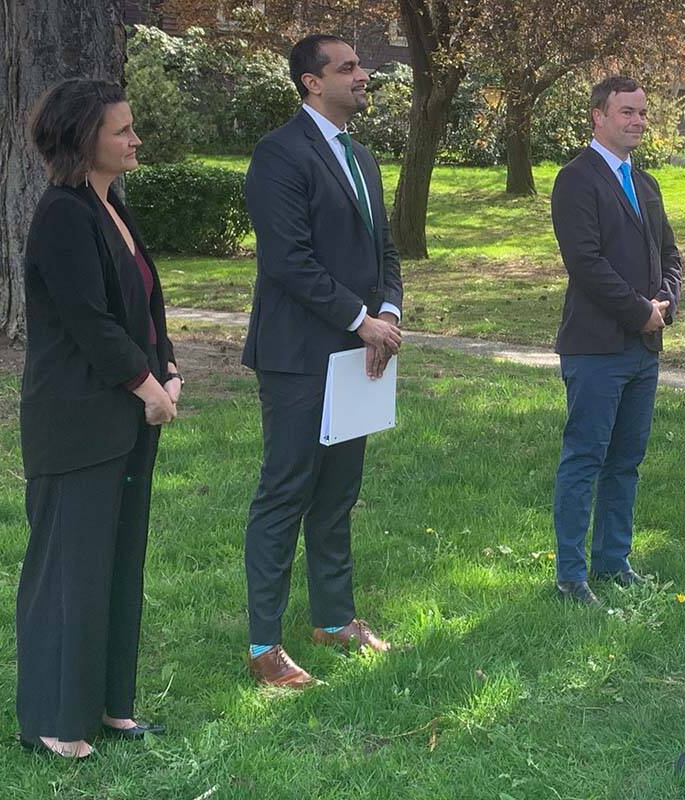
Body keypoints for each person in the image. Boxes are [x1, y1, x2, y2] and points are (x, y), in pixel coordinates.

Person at [17, 79, 180, 758]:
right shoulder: (61, 215)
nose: (136, 139)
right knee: (70, 570)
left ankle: (109, 706)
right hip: (78, 419)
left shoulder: (112, 205)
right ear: (87, 140)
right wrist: (145, 382)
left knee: (117, 564)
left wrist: (167, 364)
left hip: (127, 415)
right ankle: (54, 721)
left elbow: (144, 304)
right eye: (123, 130)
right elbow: (89, 320)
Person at [242, 34, 404, 687]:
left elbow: (385, 253)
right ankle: (263, 647)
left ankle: (334, 619)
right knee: (287, 491)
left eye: (359, 66)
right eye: (349, 68)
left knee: (338, 494)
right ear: (312, 82)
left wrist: (388, 313)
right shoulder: (279, 155)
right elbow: (287, 261)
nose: (363, 75)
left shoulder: (361, 158)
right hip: (298, 356)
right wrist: (358, 320)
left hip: (360, 354)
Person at [549, 76, 682, 606]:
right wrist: (638, 312)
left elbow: (669, 255)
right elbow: (585, 263)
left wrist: (665, 304)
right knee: (586, 457)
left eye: (643, 112)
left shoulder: (645, 183)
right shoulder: (576, 180)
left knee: (627, 460)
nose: (638, 121)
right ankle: (570, 575)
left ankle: (612, 560)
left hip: (644, 348)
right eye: (627, 111)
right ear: (597, 117)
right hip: (597, 346)